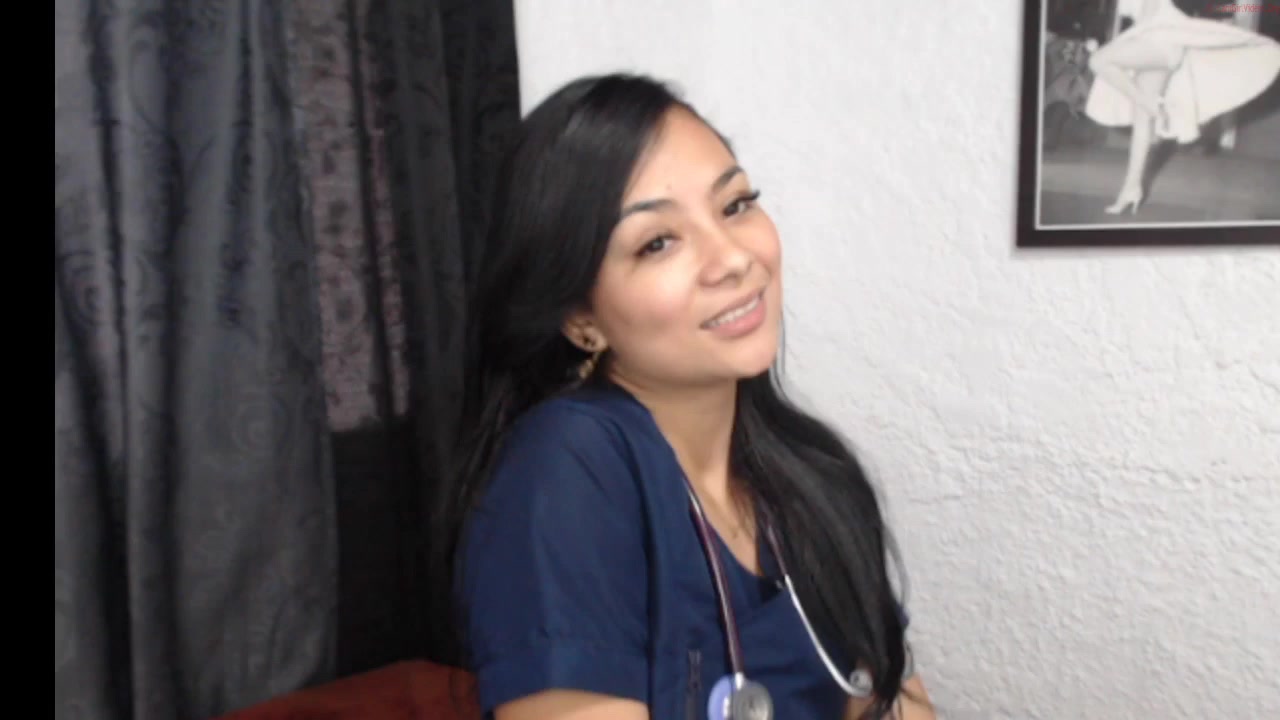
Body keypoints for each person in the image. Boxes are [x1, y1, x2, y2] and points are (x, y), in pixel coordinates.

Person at [435, 73, 935, 720]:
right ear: (580, 318)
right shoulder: (567, 470)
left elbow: (897, 700)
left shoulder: (814, 476)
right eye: (658, 242)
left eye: (735, 205)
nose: (732, 258)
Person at [1083, 0, 1280, 214]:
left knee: (1098, 61)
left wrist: (1117, 46)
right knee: (1142, 117)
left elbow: (1148, 21)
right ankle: (1132, 188)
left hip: (1160, 42)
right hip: (1157, 43)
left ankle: (1151, 106)